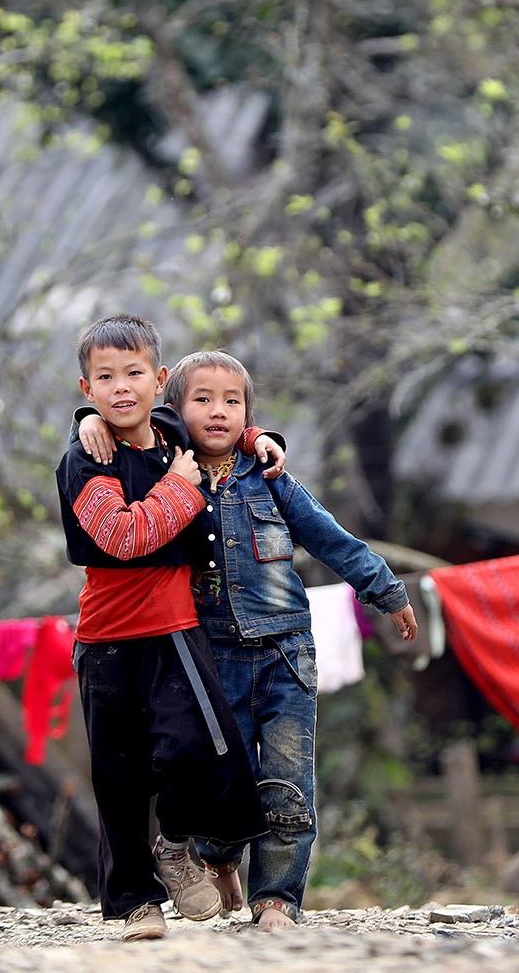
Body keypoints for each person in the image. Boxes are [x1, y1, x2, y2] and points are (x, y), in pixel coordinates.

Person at [83, 349, 418, 930]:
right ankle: (216, 859)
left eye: (233, 402)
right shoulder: (166, 474)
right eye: (203, 400)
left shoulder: (269, 477)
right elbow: (116, 420)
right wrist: (82, 421)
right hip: (208, 660)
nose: (219, 412)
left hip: (286, 653)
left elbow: (328, 536)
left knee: (288, 781)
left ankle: (278, 899)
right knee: (217, 778)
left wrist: (384, 589)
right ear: (174, 411)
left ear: (248, 414)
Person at [57, 315, 266, 940]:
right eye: (104, 379)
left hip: (175, 630)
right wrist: (179, 485)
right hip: (106, 641)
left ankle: (176, 845)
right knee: (118, 777)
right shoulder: (83, 461)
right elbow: (124, 537)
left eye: (134, 374)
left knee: (200, 749)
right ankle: (132, 902)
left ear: (160, 380)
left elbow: (222, 428)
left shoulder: (174, 430)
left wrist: (261, 437)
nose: (121, 389)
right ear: (85, 387)